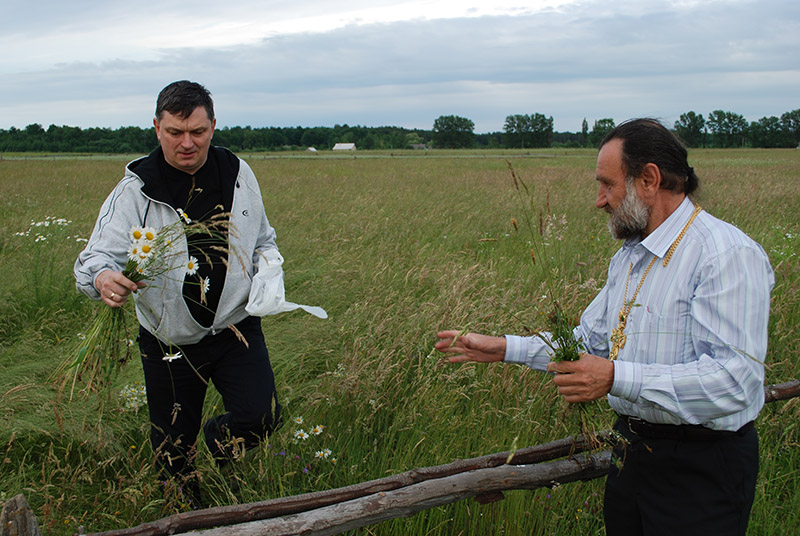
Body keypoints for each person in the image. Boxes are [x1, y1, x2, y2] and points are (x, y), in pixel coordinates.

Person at [435, 118, 773, 536]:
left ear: (648, 179)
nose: (599, 200)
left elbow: (734, 381)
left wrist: (614, 376)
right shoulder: (630, 257)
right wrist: (503, 348)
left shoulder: (725, 255)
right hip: (630, 454)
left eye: (607, 185)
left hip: (700, 467)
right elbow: (588, 341)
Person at [75, 80, 282, 507]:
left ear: (213, 126)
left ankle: (221, 448)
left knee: (261, 417)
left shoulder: (238, 172)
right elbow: (92, 260)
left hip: (235, 328)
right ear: (156, 127)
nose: (187, 144)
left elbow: (263, 238)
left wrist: (268, 268)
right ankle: (191, 514)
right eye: (175, 132)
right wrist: (102, 279)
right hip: (169, 343)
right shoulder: (137, 190)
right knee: (173, 454)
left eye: (198, 132)